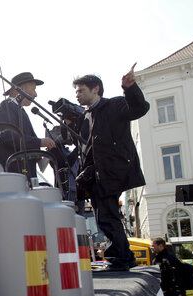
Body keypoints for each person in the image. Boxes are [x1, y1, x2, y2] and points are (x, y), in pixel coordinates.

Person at [73, 65, 149, 271]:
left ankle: (121, 258)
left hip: (112, 172)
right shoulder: (85, 117)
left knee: (107, 216)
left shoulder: (114, 105)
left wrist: (129, 88)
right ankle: (123, 256)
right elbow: (86, 149)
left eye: (81, 90)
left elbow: (139, 108)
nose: (77, 95)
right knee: (104, 217)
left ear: (95, 89)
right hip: (96, 175)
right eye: (76, 91)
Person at [0, 72, 56, 183]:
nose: (35, 95)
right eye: (33, 89)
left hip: (21, 177)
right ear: (21, 88)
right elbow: (6, 136)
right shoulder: (6, 106)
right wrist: (39, 142)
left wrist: (37, 155)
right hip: (11, 177)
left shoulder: (19, 110)